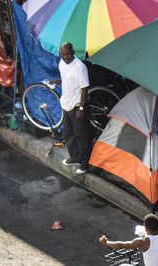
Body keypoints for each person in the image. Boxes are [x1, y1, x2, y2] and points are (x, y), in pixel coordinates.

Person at [49, 42, 91, 174]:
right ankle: (74, 157)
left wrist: (81, 109)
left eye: (68, 54)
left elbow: (84, 88)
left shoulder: (79, 67)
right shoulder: (62, 63)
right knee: (69, 133)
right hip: (66, 104)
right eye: (63, 54)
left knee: (81, 136)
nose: (66, 56)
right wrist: (56, 82)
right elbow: (65, 77)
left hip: (77, 106)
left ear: (73, 52)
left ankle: (84, 163)